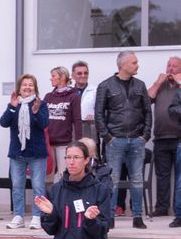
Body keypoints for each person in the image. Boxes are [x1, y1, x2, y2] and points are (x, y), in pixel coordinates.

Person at [95, 50, 151, 229]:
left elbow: (147, 112)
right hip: (115, 140)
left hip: (136, 139)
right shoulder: (106, 86)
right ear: (123, 65)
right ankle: (109, 216)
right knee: (113, 180)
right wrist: (108, 137)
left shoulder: (140, 85)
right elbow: (98, 114)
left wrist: (145, 135)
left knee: (137, 179)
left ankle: (137, 217)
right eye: (134, 62)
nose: (137, 65)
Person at [1, 74, 50, 230]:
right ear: (19, 88)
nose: (27, 87)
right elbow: (3, 122)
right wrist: (11, 107)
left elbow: (44, 124)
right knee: (17, 185)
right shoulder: (14, 104)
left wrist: (36, 112)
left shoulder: (40, 104)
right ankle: (18, 216)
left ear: (35, 88)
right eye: (24, 85)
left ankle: (37, 216)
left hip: (37, 153)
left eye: (31, 85)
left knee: (38, 186)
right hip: (17, 153)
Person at [147, 57, 181, 217]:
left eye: (174, 66)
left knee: (180, 177)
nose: (171, 69)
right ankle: (161, 207)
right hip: (160, 138)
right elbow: (146, 99)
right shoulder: (160, 86)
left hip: (179, 138)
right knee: (162, 176)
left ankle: (178, 209)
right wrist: (157, 83)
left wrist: (180, 82)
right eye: (169, 65)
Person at [44, 66, 82, 177]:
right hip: (48, 144)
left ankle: (62, 194)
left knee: (63, 175)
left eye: (53, 76)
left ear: (62, 77)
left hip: (64, 143)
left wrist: (78, 143)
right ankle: (48, 195)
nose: (51, 79)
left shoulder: (74, 96)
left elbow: (77, 120)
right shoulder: (48, 96)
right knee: (49, 175)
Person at [71, 61, 96, 141]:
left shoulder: (96, 90)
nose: (83, 75)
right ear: (73, 75)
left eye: (86, 73)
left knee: (90, 152)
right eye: (79, 73)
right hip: (72, 129)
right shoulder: (68, 91)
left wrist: (94, 116)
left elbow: (103, 110)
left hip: (90, 128)